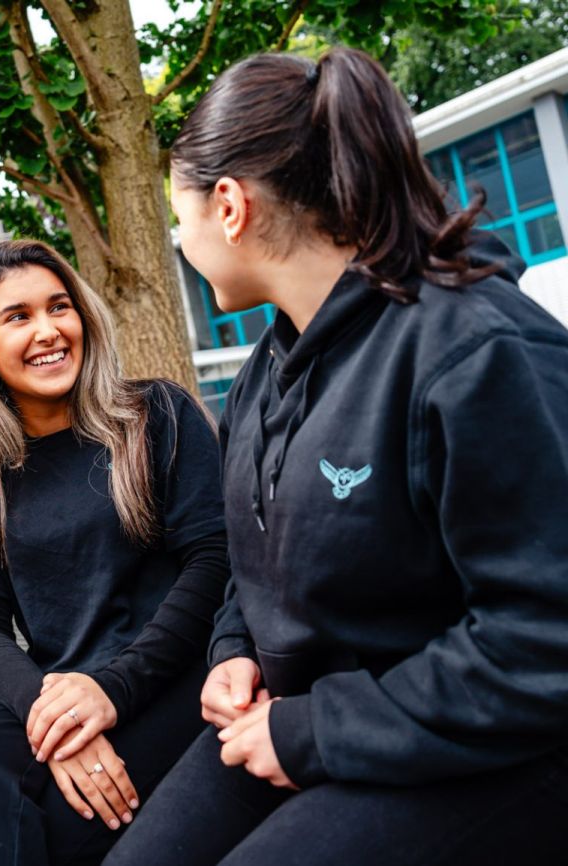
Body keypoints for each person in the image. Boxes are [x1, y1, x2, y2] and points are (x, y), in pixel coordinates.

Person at [104, 46, 568, 866]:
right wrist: (235, 652)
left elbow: (543, 643)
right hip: (307, 719)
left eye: (180, 218)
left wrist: (316, 730)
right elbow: (256, 564)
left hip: (492, 746)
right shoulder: (262, 376)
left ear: (230, 205)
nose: (182, 242)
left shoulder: (479, 351)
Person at [0, 239, 231, 865]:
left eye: (59, 307)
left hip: (174, 681)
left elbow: (214, 562)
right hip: (65, 698)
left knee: (43, 822)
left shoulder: (155, 415)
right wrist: (50, 718)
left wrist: (113, 689)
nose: (48, 330)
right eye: (17, 316)